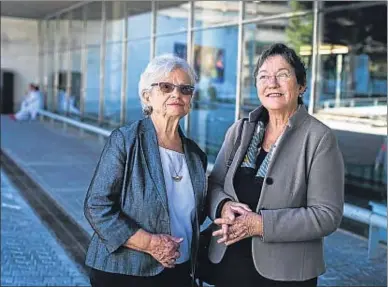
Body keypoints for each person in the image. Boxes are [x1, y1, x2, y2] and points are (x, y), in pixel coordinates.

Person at [207, 43, 344, 287]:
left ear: (301, 86)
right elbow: (214, 184)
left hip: (286, 275)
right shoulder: (240, 130)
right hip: (230, 265)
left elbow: (327, 215)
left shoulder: (319, 138)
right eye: (263, 76)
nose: (272, 83)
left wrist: (261, 225)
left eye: (283, 75)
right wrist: (223, 206)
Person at [84, 54, 207, 287]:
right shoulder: (125, 140)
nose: (176, 94)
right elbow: (97, 206)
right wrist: (151, 243)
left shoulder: (195, 155)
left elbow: (194, 215)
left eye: (185, 89)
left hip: (179, 270)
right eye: (166, 86)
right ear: (147, 96)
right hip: (125, 271)